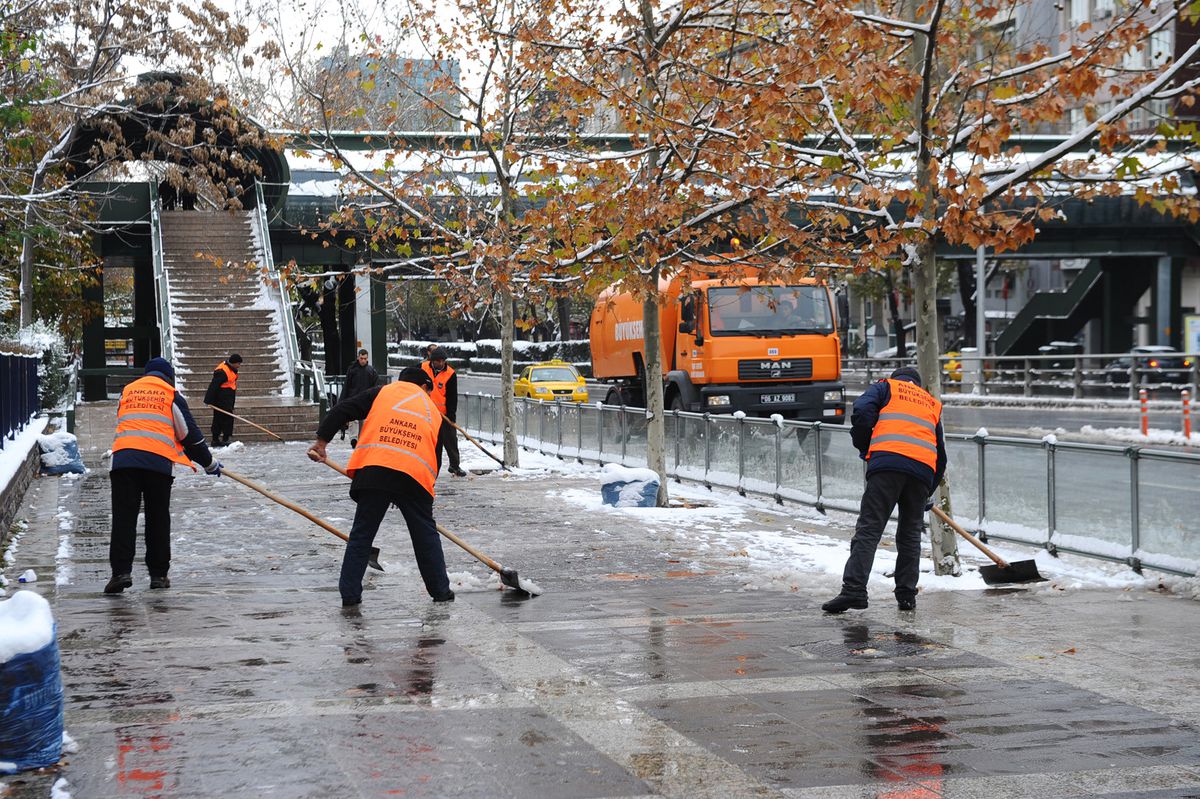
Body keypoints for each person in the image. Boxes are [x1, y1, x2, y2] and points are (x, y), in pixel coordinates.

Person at [307, 366, 454, 607]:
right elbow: (434, 460)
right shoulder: (433, 411)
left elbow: (343, 409)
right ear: (425, 386)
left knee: (361, 535)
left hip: (374, 471)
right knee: (425, 535)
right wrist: (421, 497)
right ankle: (440, 591)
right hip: (414, 477)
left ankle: (350, 595)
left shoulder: (382, 392)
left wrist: (322, 441)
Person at [823, 366, 946, 613]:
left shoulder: (885, 387)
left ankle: (854, 590)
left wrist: (866, 446)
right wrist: (927, 492)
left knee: (869, 528)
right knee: (910, 536)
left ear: (896, 379)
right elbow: (941, 456)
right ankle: (907, 596)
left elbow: (861, 411)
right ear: (917, 384)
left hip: (888, 464)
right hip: (922, 472)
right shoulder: (931, 404)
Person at [105, 357, 222, 594]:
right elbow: (189, 435)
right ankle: (158, 575)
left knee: (123, 519)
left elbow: (127, 420)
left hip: (124, 461)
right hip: (157, 464)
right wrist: (209, 463)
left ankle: (120, 573)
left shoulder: (128, 391)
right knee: (157, 518)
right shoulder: (170, 394)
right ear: (169, 376)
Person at [421, 347, 466, 477]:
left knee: (451, 441)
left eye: (442, 361)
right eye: (438, 361)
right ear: (432, 361)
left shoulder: (450, 374)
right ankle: (434, 468)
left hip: (444, 415)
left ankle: (455, 465)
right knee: (435, 444)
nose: (440, 363)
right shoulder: (423, 367)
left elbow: (452, 397)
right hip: (426, 414)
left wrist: (451, 416)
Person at [340, 348, 379, 442]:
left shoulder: (369, 371)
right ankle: (354, 438)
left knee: (362, 420)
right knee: (355, 419)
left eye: (365, 358)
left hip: (363, 399)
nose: (363, 360)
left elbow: (375, 386)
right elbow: (347, 386)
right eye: (361, 358)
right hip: (357, 398)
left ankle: (357, 438)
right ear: (358, 357)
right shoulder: (356, 370)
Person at [204, 353, 242, 446]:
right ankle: (217, 439)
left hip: (228, 399)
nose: (239, 365)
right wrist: (208, 400)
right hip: (220, 400)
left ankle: (224, 438)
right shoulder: (222, 371)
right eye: (238, 363)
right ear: (233, 363)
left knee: (226, 418)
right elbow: (213, 386)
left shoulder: (232, 369)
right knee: (221, 419)